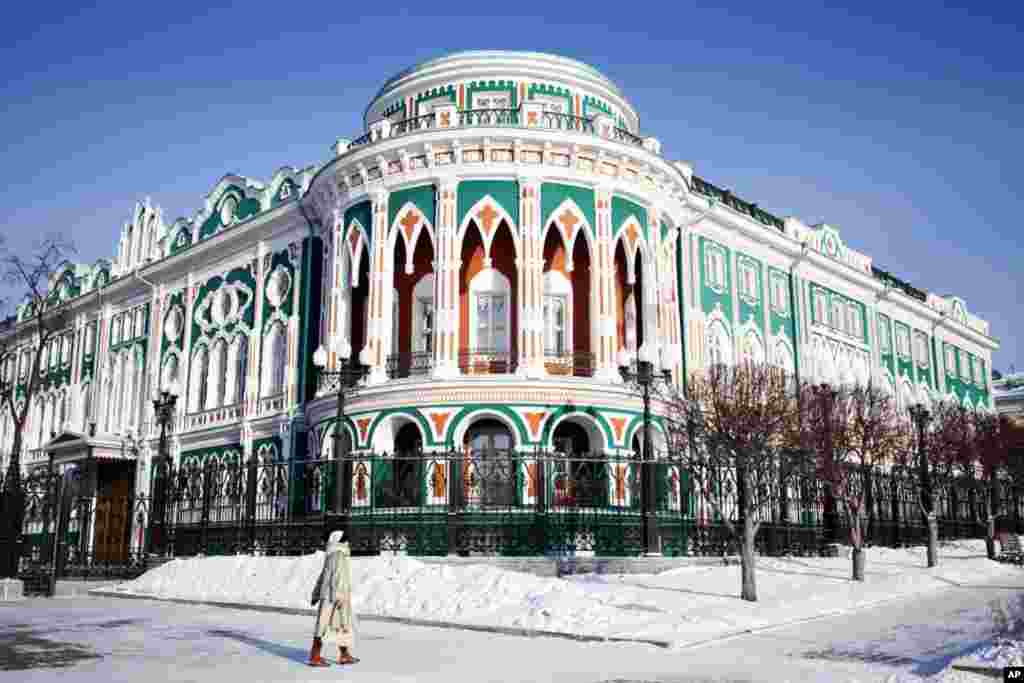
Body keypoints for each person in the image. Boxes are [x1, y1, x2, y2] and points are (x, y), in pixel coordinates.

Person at [308, 530, 358, 667]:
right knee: (329, 627)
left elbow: (323, 576)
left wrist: (316, 594)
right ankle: (315, 656)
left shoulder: (331, 554)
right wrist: (341, 597)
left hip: (329, 596)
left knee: (337, 626)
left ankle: (344, 654)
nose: (348, 542)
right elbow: (339, 577)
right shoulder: (339, 555)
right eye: (345, 540)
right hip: (335, 597)